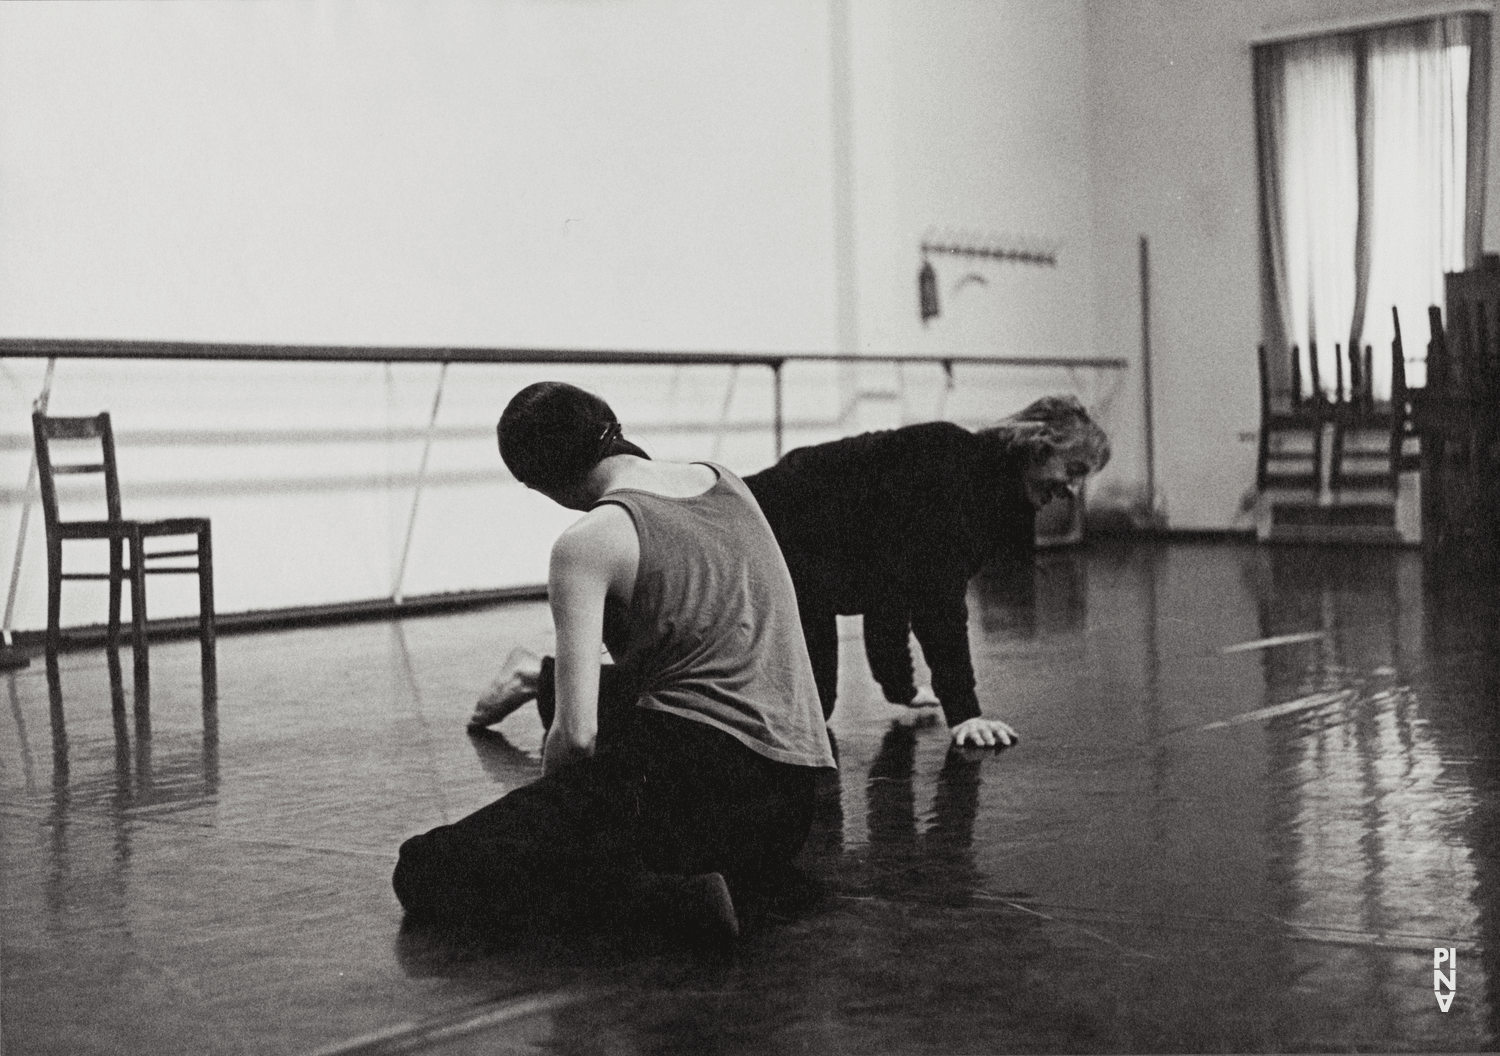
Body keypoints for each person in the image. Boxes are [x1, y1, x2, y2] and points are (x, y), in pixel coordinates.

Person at [395, 381, 836, 943]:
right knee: (655, 707)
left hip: (696, 800)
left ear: (541, 482)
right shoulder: (727, 483)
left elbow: (576, 738)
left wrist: (561, 816)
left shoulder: (588, 541)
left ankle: (669, 904)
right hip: (789, 813)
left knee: (425, 867)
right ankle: (697, 879)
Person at [743, 395, 1109, 746]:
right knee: (806, 713)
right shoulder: (956, 467)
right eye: (1073, 471)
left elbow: (892, 579)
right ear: (1038, 449)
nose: (1073, 490)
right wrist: (964, 711)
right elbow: (936, 598)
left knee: (812, 709)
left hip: (804, 552)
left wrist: (899, 685)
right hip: (763, 525)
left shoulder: (988, 487)